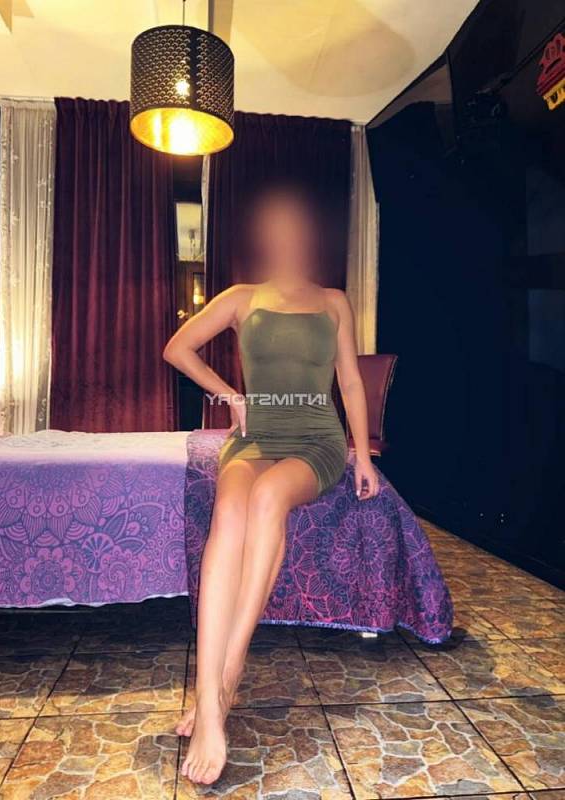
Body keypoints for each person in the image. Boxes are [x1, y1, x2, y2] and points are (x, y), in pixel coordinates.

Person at [163, 184, 379, 785]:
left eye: (295, 228)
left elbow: (351, 383)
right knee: (228, 514)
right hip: (254, 436)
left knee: (266, 499)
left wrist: (362, 455)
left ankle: (224, 682)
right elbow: (178, 348)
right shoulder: (242, 297)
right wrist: (230, 397)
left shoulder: (334, 301)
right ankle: (209, 694)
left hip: (315, 439)